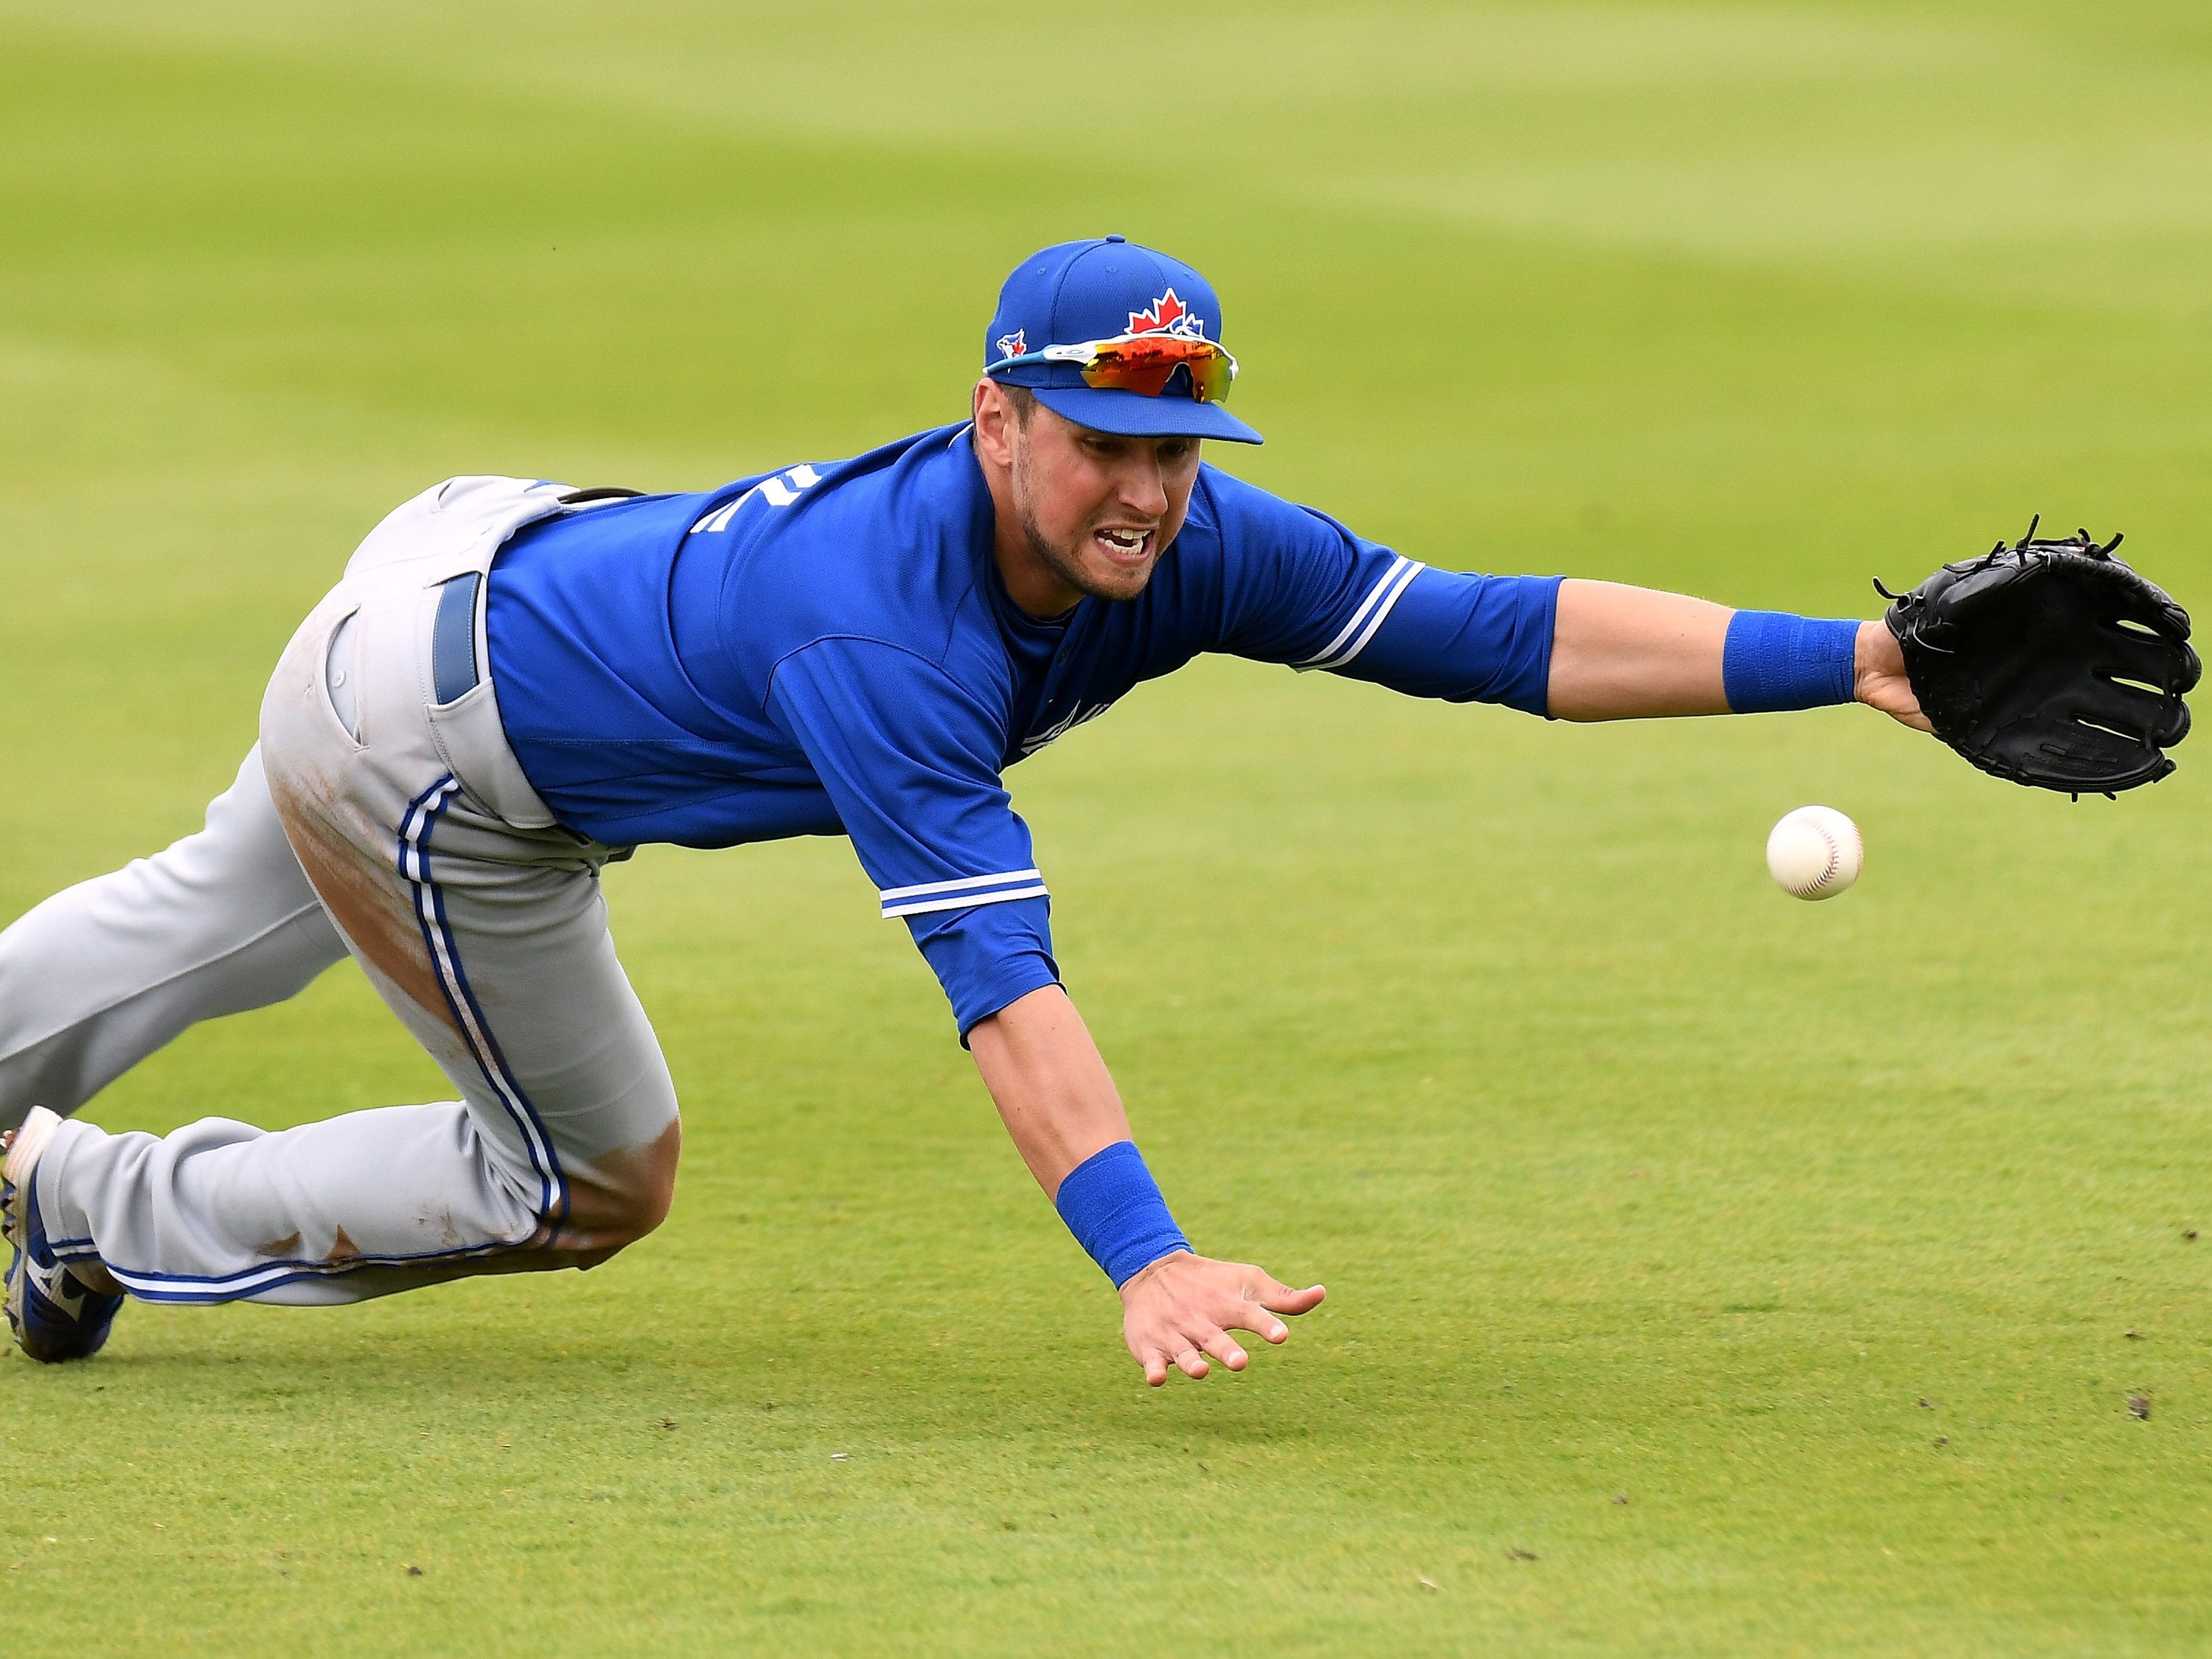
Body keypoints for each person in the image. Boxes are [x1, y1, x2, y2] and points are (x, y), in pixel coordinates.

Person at [0, 236, 1927, 1380]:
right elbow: (1003, 988)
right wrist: (1146, 1249)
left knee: (204, 912)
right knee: (589, 1179)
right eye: (1105, 442)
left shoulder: (1178, 538)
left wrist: (1850, 660)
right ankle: (79, 1202)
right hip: (442, 752)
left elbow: (1487, 630)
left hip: (477, 573)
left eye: (1179, 449)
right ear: (995, 420)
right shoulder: (891, 644)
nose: (1149, 496)